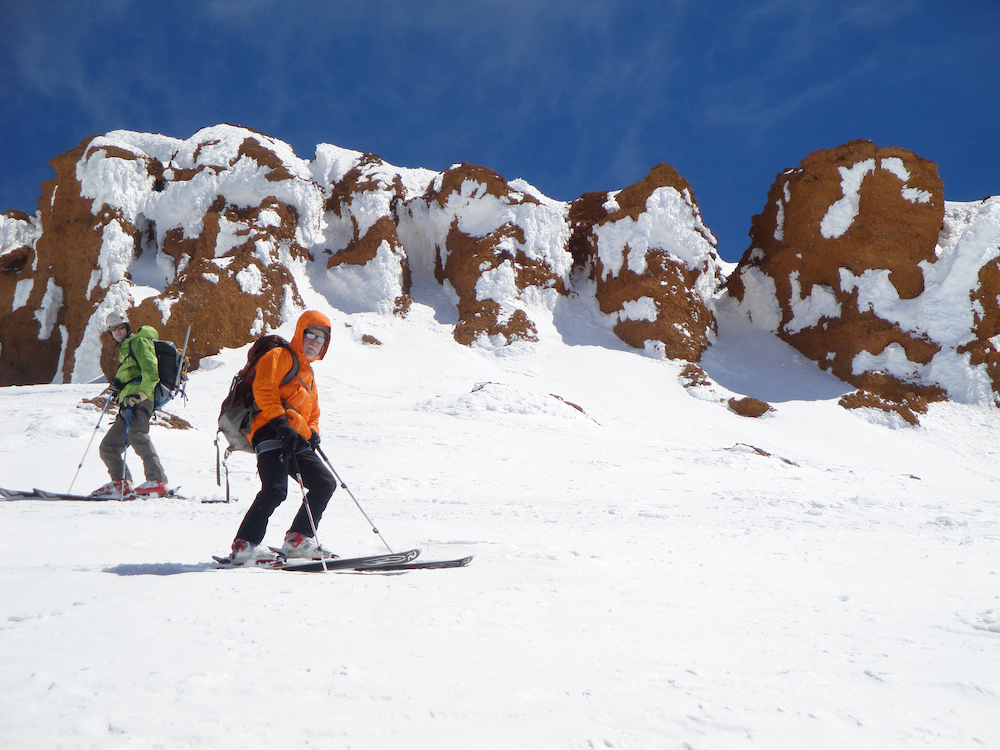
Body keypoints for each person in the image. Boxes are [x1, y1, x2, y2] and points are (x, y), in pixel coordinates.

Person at [230, 310, 337, 564]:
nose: (313, 341)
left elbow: (313, 413)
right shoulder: (279, 355)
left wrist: (312, 434)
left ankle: (298, 540)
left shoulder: (308, 374)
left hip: (295, 437)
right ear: (300, 333)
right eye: (310, 334)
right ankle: (244, 545)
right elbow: (264, 388)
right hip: (269, 428)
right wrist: (279, 422)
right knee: (275, 489)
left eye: (320, 338)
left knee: (324, 483)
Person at [91, 311, 169, 498]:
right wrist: (118, 386)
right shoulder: (126, 349)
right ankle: (121, 483)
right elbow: (131, 374)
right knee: (109, 446)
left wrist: (140, 394)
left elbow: (151, 371)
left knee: (137, 435)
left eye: (120, 327)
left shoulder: (139, 343)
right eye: (112, 329)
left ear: (127, 327)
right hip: (128, 403)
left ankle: (157, 480)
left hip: (141, 400)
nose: (117, 332)